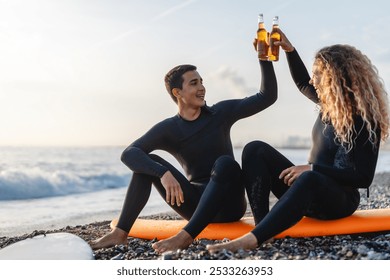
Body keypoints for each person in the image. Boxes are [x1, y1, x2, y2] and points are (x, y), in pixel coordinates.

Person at [207, 29, 390, 253]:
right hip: (306, 191)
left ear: (335, 77)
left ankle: (253, 239)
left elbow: (363, 178)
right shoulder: (329, 107)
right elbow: (303, 82)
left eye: (319, 74)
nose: (314, 80)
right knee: (254, 150)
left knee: (311, 178)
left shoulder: (363, 120)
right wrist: (288, 49)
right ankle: (263, 227)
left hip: (338, 201)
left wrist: (312, 169)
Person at [91, 48, 277, 252]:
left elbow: (267, 96)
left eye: (202, 82)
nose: (202, 88)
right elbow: (129, 153)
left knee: (225, 163)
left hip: (229, 204)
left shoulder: (220, 113)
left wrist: (264, 59)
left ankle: (185, 236)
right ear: (177, 93)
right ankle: (120, 233)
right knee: (148, 162)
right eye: (194, 83)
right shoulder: (170, 128)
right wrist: (162, 173)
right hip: (196, 204)